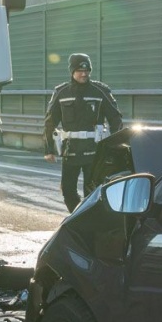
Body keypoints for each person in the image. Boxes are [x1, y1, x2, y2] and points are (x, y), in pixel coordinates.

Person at [43, 53, 123, 212]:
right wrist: (49, 149)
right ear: (72, 71)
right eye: (79, 70)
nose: (84, 73)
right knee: (67, 191)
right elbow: (50, 122)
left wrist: (114, 147)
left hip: (95, 151)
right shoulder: (62, 92)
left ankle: (90, 221)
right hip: (70, 151)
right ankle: (78, 216)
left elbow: (116, 119)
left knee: (92, 192)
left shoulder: (100, 91)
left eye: (87, 70)